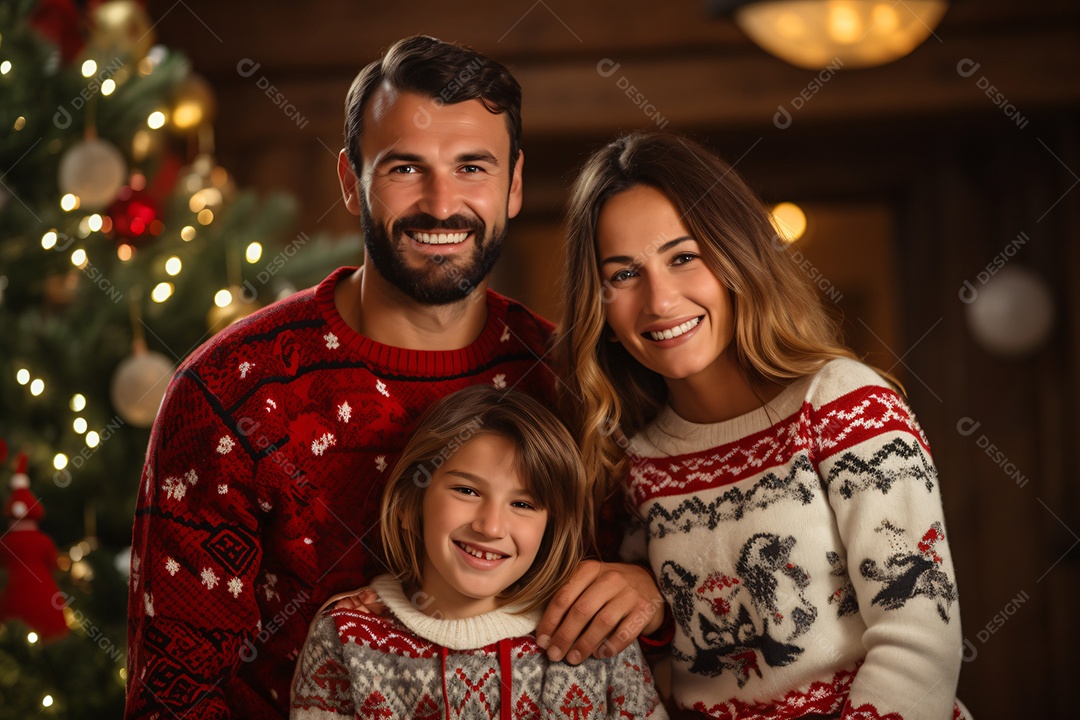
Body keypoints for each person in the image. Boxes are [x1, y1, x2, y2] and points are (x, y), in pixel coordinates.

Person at [125, 37, 660, 720]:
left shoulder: (578, 386)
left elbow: (683, 584)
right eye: (406, 168)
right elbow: (180, 694)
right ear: (351, 180)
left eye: (473, 167)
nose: (442, 204)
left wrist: (649, 591)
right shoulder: (229, 392)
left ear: (514, 184)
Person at [557, 131, 968, 719]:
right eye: (623, 274)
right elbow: (651, 669)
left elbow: (920, 641)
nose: (659, 299)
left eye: (683, 257)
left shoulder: (843, 404)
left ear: (736, 255)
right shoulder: (632, 461)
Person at [290, 386, 667, 719]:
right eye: (467, 491)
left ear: (548, 532)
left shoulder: (594, 630)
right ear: (408, 505)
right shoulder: (347, 635)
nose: (490, 526)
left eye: (523, 504)